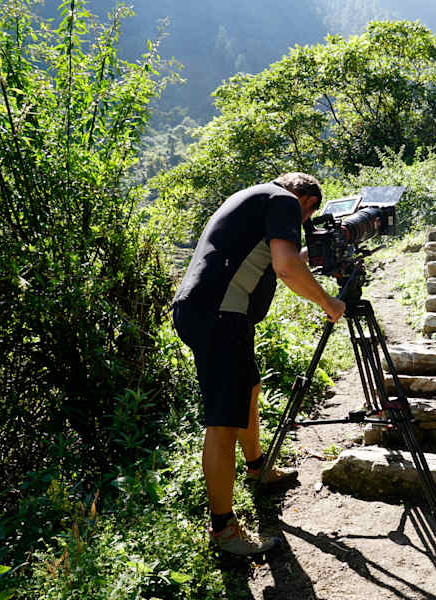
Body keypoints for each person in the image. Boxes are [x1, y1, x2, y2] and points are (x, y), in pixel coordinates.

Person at [172, 173, 346, 555]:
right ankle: (223, 531)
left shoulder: (254, 198)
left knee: (249, 386)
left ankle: (258, 468)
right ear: (305, 200)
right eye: (307, 215)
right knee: (222, 423)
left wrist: (309, 257)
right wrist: (328, 302)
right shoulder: (284, 201)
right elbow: (286, 267)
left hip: (213, 311)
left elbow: (271, 261)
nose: (303, 222)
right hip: (220, 315)